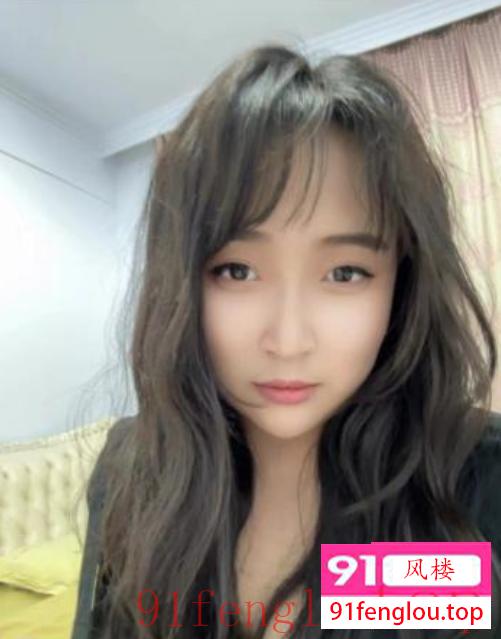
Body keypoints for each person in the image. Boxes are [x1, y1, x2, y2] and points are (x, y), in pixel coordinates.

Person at [70, 43, 501, 639]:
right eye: (237, 271)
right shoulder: (133, 465)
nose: (289, 340)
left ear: (400, 286)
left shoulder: (475, 477)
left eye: (345, 273)